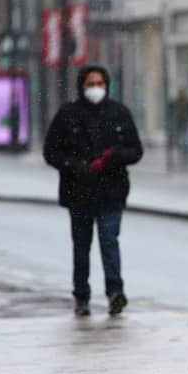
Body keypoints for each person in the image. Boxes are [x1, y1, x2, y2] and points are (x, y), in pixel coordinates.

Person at [43, 65, 143, 317]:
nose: (96, 88)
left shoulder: (119, 113)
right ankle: (82, 295)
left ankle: (115, 292)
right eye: (91, 83)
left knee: (109, 242)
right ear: (81, 85)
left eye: (100, 83)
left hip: (111, 191)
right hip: (79, 192)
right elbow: (51, 152)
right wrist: (74, 166)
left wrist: (113, 157)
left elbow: (135, 150)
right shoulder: (68, 114)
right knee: (81, 246)